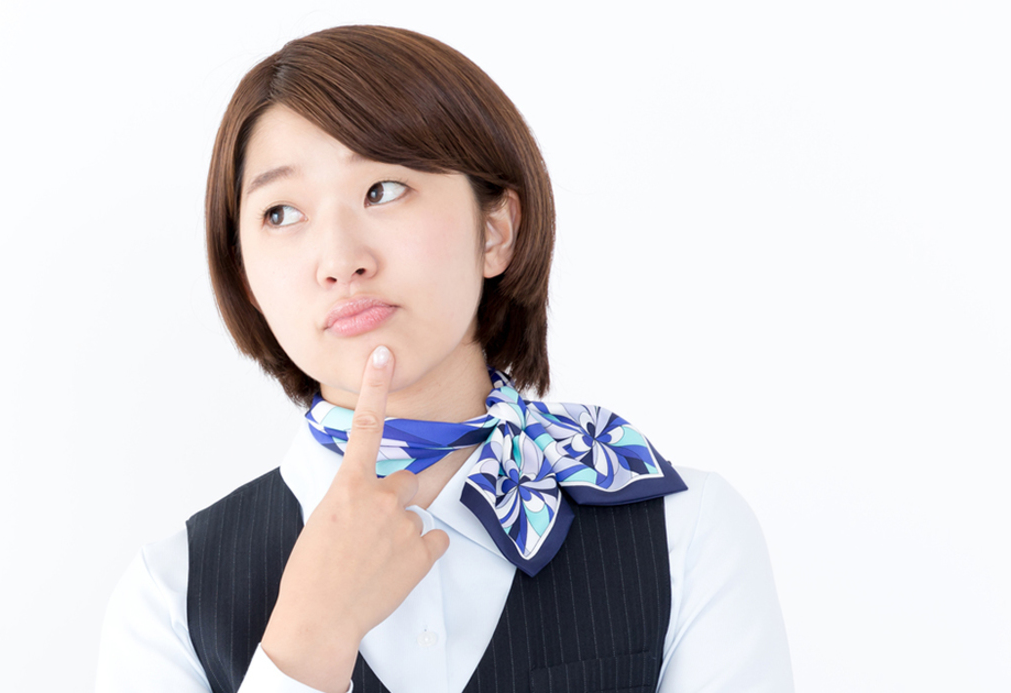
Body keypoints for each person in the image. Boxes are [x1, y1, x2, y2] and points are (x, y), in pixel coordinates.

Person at [96, 25, 793, 693]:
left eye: (382, 190)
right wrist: (306, 646)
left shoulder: (686, 535)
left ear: (495, 230)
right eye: (281, 212)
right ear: (246, 275)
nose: (339, 259)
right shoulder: (172, 595)